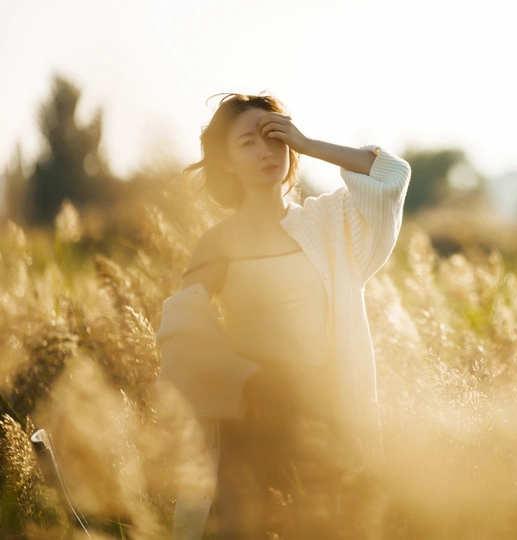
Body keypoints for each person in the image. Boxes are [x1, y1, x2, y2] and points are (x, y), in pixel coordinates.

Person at [155, 92, 411, 539]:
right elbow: (182, 327)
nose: (265, 150)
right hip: (250, 408)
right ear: (227, 160)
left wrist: (307, 142)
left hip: (322, 406)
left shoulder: (328, 223)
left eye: (274, 136)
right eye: (247, 142)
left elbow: (392, 174)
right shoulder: (219, 241)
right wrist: (246, 380)